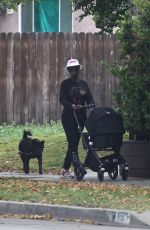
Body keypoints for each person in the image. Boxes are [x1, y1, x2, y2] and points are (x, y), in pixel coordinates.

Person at [59, 58, 95, 179]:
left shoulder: (83, 84)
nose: (74, 71)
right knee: (72, 142)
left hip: (81, 117)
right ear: (69, 70)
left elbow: (89, 97)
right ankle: (76, 167)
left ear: (79, 69)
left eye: (76, 68)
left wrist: (91, 105)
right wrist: (72, 105)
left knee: (74, 143)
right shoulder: (65, 84)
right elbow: (62, 100)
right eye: (71, 69)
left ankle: (65, 169)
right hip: (69, 117)